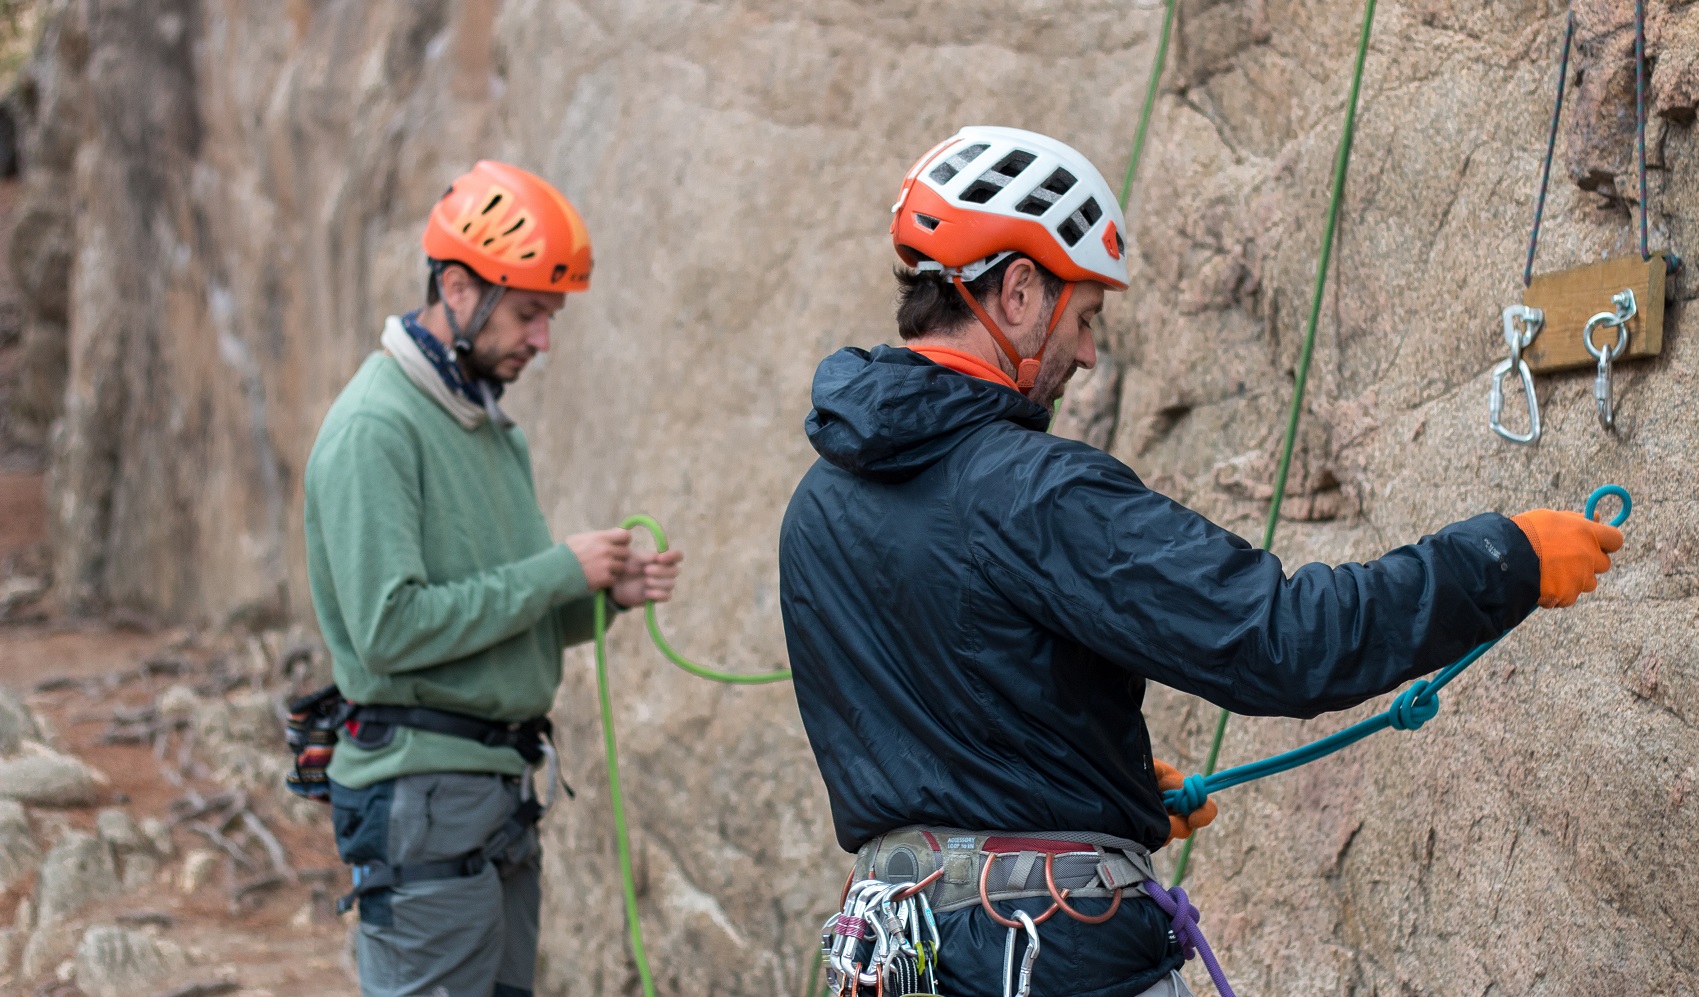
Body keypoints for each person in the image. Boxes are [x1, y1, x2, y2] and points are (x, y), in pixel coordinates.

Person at [778, 126, 1622, 997]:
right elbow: (1282, 641)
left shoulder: (816, 506)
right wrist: (1502, 559)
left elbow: (937, 706)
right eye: (1087, 317)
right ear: (1020, 290)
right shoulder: (1031, 488)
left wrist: (1095, 780)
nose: (1089, 354)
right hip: (1048, 955)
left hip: (893, 955)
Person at [303, 160, 683, 997]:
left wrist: (596, 599)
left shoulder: (488, 427)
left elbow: (503, 611)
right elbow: (389, 627)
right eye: (527, 312)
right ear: (457, 286)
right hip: (421, 797)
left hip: (493, 793)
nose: (541, 338)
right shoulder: (376, 428)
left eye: (548, 315)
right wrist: (559, 569)